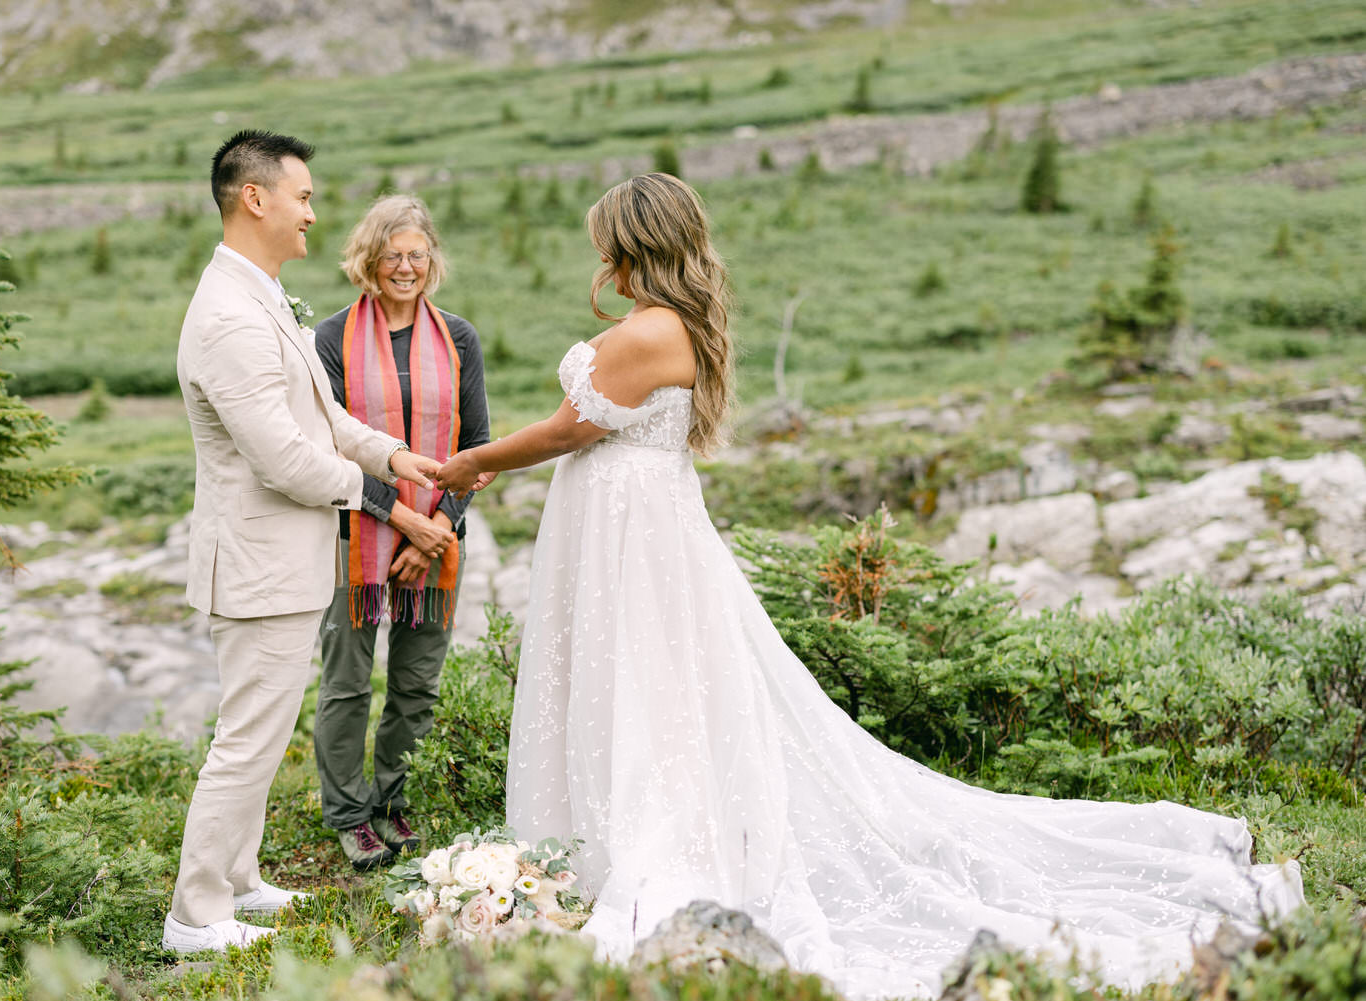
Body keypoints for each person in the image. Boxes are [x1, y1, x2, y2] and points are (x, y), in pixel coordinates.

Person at [433, 173, 1305, 1000]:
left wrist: (474, 461)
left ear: (636, 245)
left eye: (608, 245)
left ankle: (650, 842)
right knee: (656, 681)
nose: (602, 261)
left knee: (650, 678)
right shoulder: (674, 324)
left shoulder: (649, 331)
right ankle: (614, 833)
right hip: (638, 519)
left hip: (634, 528)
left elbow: (564, 429)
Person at [165, 130, 441, 954]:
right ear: (257, 198)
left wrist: (390, 451)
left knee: (263, 728)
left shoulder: (260, 296)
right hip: (254, 565)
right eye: (306, 196)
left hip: (281, 566)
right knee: (247, 738)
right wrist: (387, 502)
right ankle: (195, 913)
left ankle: (240, 879)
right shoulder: (225, 316)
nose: (314, 214)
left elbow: (322, 420)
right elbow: (283, 457)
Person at [310, 194, 490, 871]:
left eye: (417, 254)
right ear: (368, 259)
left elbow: (477, 444)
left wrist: (437, 528)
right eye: (393, 255)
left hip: (437, 538)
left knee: (416, 685)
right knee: (348, 682)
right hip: (354, 534)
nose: (405, 267)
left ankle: (392, 801)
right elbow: (330, 445)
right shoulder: (329, 340)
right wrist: (402, 518)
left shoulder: (460, 337)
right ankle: (350, 816)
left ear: (432, 260)